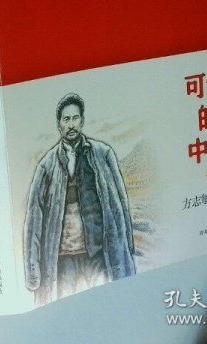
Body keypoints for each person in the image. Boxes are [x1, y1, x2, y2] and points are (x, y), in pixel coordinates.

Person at [24, 93, 136, 306]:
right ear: (59, 124)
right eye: (66, 119)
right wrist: (32, 267)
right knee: (67, 307)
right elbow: (34, 218)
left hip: (98, 253)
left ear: (82, 121)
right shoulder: (46, 166)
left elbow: (121, 203)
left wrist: (128, 248)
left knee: (108, 304)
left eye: (75, 118)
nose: (71, 124)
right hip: (63, 256)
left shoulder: (103, 154)